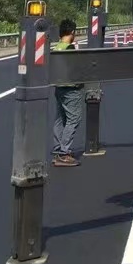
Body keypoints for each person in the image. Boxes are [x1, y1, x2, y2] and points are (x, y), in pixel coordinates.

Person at [51, 18, 84, 167]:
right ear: (72, 32)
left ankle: (58, 149)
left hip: (59, 88)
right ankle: (64, 153)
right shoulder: (70, 49)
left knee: (60, 120)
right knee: (73, 120)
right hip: (71, 89)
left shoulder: (56, 48)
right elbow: (76, 70)